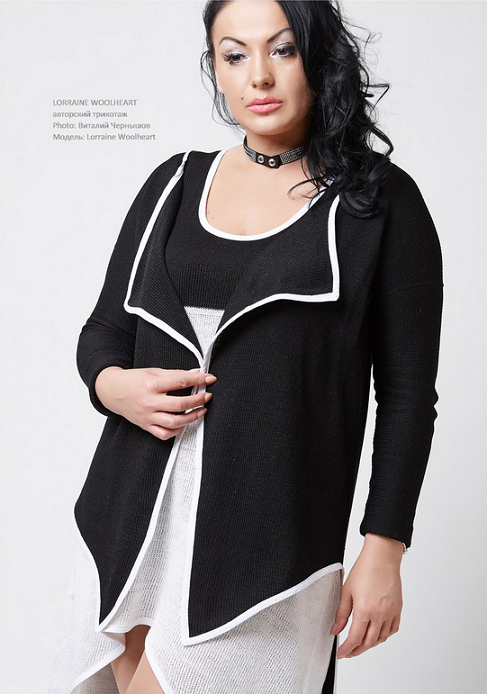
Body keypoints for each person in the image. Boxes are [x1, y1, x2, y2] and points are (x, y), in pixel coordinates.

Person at [46, 1, 444, 693]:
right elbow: (103, 331)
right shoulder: (173, 184)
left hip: (266, 551)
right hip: (132, 523)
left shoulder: (379, 203)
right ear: (216, 69)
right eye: (234, 55)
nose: (258, 75)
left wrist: (383, 548)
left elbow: (408, 396)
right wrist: (113, 387)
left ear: (320, 57)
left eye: (282, 49)